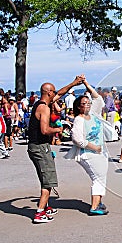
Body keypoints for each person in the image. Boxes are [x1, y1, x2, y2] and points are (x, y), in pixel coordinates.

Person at [28, 76, 82, 223]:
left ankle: (45, 207)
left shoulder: (41, 103)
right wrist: (59, 128)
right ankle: (39, 213)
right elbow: (45, 130)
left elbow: (61, 93)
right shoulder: (44, 108)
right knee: (48, 180)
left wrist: (74, 83)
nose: (56, 94)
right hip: (40, 147)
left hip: (35, 147)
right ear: (49, 92)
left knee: (45, 178)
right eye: (54, 92)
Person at [65, 78, 109, 215]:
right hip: (87, 153)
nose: (88, 105)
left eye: (88, 103)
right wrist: (94, 147)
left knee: (101, 177)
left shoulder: (92, 114)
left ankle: (98, 201)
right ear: (78, 106)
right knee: (98, 178)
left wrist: (86, 84)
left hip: (98, 152)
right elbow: (77, 139)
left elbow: (98, 100)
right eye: (84, 103)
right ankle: (95, 207)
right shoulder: (79, 119)